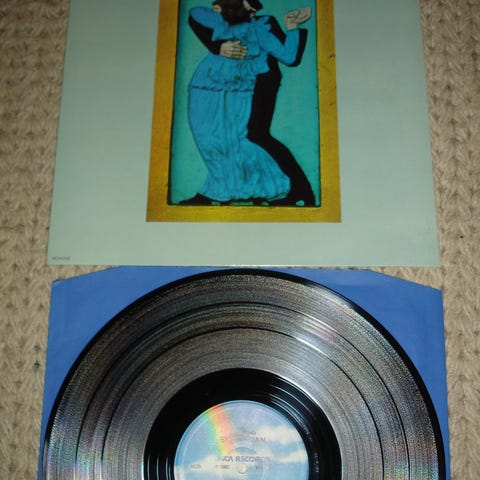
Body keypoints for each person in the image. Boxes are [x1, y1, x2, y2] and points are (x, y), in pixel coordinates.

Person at [180, 0, 312, 206]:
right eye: (248, 10)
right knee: (211, 137)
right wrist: (217, 46)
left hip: (247, 87)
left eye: (253, 11)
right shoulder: (217, 20)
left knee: (250, 137)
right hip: (210, 85)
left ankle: (296, 189)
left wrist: (292, 26)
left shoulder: (261, 25)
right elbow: (194, 15)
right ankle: (222, 188)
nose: (252, 14)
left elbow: (289, 56)